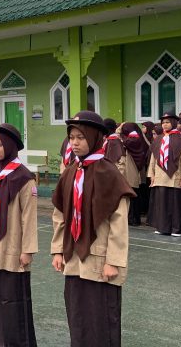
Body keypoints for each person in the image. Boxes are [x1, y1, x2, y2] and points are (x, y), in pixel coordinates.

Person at [51, 111, 135, 347]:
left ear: (95, 137)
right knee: (78, 315)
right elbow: (60, 215)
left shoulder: (109, 173)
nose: (75, 143)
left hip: (100, 261)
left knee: (101, 318)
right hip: (74, 256)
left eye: (81, 137)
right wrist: (58, 250)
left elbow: (119, 223)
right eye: (72, 137)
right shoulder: (70, 172)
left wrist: (114, 261)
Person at [0, 123, 38, 347]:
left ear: (11, 146)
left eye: (0, 144)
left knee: (13, 296)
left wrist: (27, 250)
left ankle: (15, 341)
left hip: (13, 246)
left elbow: (29, 218)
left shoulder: (23, 178)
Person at [148, 112, 181, 236]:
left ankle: (177, 229)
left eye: (167, 122)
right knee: (162, 203)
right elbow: (153, 158)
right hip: (160, 176)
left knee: (176, 204)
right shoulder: (159, 139)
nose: (165, 125)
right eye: (163, 123)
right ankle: (163, 227)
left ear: (173, 123)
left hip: (175, 176)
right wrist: (152, 174)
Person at [118, 123, 147, 226]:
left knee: (132, 196)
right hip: (132, 171)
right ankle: (133, 218)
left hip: (131, 171)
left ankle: (133, 219)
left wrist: (119, 130)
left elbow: (120, 139)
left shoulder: (133, 139)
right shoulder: (135, 138)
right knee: (132, 196)